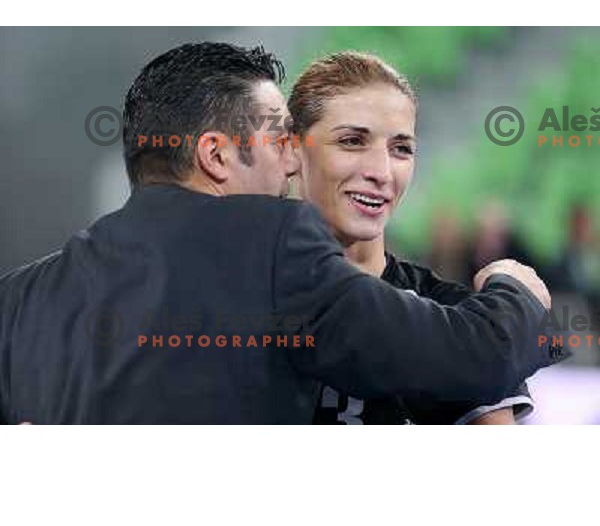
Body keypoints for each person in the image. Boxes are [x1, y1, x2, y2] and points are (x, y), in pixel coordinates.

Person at [0, 42, 555, 424]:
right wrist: (518, 292)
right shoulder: (272, 244)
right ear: (216, 154)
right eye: (280, 144)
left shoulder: (19, 299)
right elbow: (477, 352)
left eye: (402, 147)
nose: (288, 166)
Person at [288, 51, 539, 424]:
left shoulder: (459, 316)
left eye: (401, 149)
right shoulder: (237, 287)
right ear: (292, 148)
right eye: (353, 141)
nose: (381, 172)